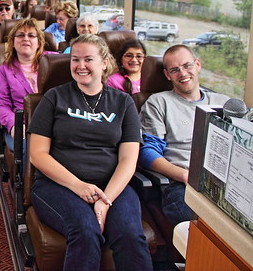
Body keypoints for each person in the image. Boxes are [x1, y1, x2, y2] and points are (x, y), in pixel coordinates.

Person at [28, 34, 152, 270]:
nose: (80, 66)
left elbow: (128, 159)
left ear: (104, 63)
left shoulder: (124, 103)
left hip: (111, 186)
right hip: (58, 185)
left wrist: (105, 201)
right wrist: (78, 186)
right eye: (75, 59)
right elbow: (38, 154)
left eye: (88, 59)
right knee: (86, 231)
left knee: (130, 235)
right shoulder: (54, 98)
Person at [139, 44, 229, 226]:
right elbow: (147, 153)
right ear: (167, 75)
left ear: (198, 65)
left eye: (187, 66)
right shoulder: (159, 102)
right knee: (202, 232)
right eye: (174, 70)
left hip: (223, 182)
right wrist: (185, 175)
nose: (182, 73)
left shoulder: (223, 103)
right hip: (181, 184)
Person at [0, 18, 57, 153]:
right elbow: (0, 104)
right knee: (28, 149)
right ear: (13, 42)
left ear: (39, 42)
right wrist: (13, 124)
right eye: (21, 35)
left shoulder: (53, 61)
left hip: (55, 122)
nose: (26, 39)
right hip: (24, 126)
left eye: (31, 35)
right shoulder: (5, 69)